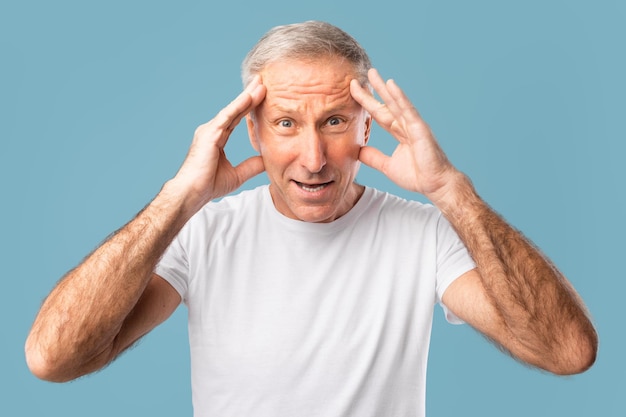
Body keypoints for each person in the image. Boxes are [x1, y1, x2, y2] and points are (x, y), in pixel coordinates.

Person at [25, 21, 597, 417]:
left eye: (334, 121)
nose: (313, 159)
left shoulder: (423, 236)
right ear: (251, 130)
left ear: (367, 127)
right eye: (285, 124)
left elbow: (567, 352)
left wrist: (452, 191)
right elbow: (53, 358)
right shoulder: (202, 234)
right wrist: (179, 197)